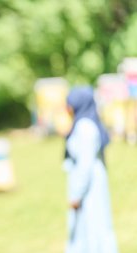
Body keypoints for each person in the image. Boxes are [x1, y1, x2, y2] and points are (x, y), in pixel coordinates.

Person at [63, 86, 118, 253]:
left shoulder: (85, 127)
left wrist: (76, 194)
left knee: (93, 227)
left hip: (89, 186)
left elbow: (84, 165)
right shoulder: (84, 123)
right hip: (91, 181)